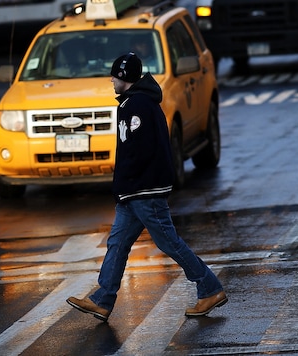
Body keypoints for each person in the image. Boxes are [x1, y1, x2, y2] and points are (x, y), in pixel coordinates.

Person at [66, 52, 226, 322]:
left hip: (143, 191)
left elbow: (135, 152)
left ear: (125, 77)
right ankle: (103, 300)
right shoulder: (135, 103)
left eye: (115, 75)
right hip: (134, 192)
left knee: (169, 243)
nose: (111, 80)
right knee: (117, 242)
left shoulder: (136, 106)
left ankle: (210, 288)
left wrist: (123, 183)